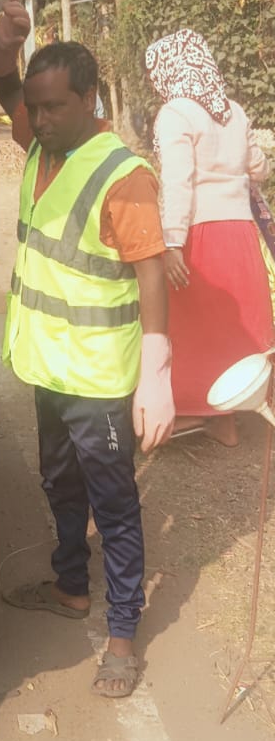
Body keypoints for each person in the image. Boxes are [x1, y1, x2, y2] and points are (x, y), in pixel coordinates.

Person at [0, 2, 175, 699]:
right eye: (35, 108)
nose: (39, 119)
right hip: (48, 368)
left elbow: (152, 271)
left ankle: (122, 635)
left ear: (90, 98)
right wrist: (3, 46)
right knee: (59, 482)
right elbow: (3, 82)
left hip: (97, 377)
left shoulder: (122, 175)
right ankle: (70, 585)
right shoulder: (42, 145)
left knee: (113, 503)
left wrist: (156, 370)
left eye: (55, 106)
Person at [144, 29, 272, 445]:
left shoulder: (175, 114)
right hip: (240, 234)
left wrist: (172, 243)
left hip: (199, 234)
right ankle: (228, 417)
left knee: (191, 326)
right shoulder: (234, 111)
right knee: (233, 327)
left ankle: (190, 411)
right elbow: (259, 167)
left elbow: (178, 182)